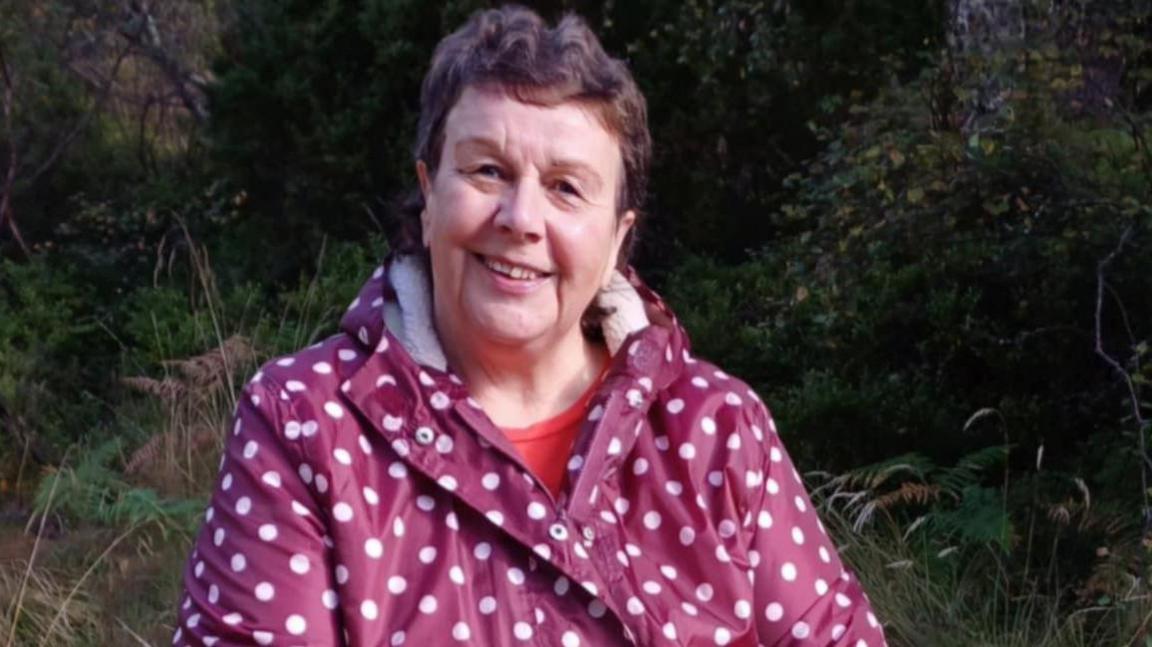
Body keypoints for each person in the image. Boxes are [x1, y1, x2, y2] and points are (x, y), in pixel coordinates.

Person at [173, 6, 886, 646]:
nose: (520, 219)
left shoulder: (718, 430)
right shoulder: (305, 423)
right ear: (429, 196)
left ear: (617, 237)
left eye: (566, 188)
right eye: (487, 170)